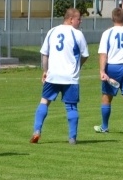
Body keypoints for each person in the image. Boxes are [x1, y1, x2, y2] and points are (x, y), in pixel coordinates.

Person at [31, 8, 90, 144]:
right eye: (79, 19)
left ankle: (37, 131)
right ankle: (72, 138)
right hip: (70, 77)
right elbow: (85, 55)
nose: (80, 21)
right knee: (71, 107)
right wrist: (78, 66)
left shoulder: (52, 31)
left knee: (44, 101)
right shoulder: (77, 34)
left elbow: (45, 54)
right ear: (71, 19)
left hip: (53, 75)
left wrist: (45, 71)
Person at [94, 7, 123, 135]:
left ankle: (104, 127)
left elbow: (103, 54)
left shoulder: (107, 33)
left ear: (112, 18)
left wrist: (102, 71)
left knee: (107, 97)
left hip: (112, 67)